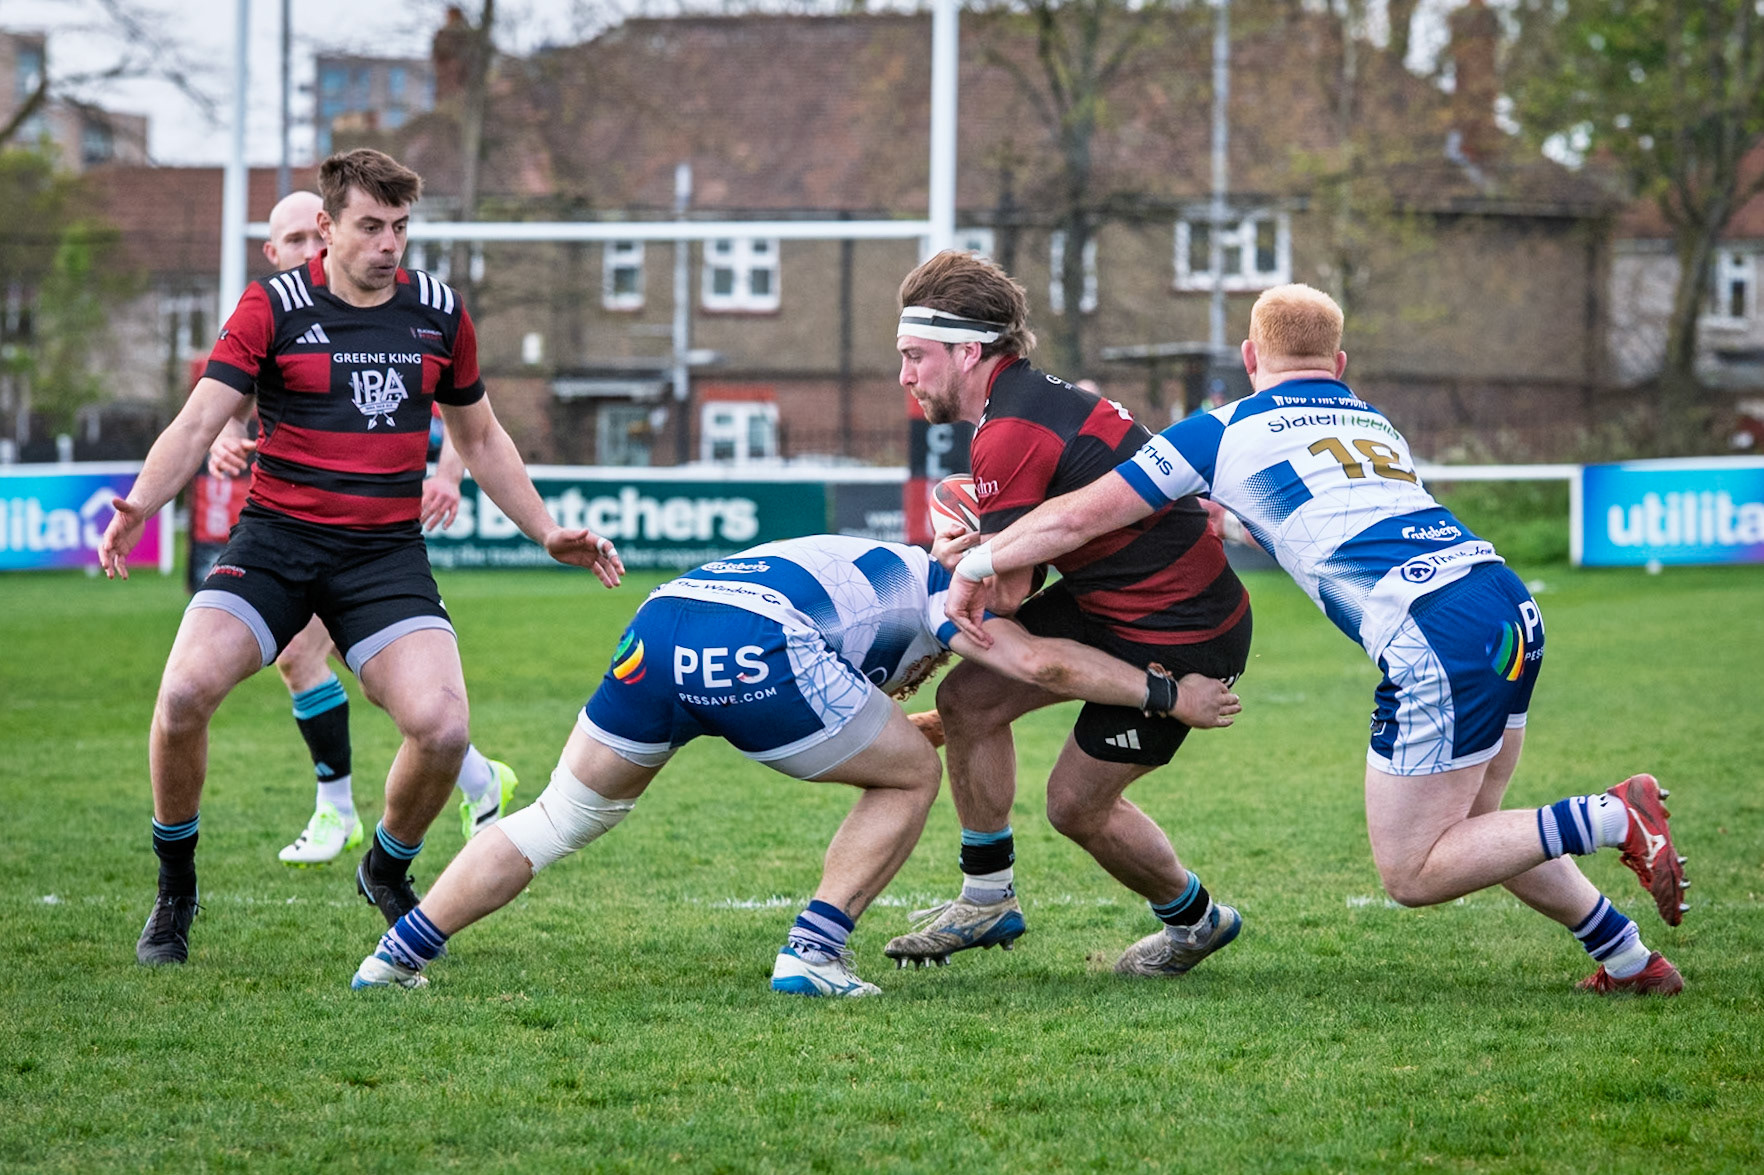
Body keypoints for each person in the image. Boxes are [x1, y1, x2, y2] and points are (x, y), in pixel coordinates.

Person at [944, 282, 1688, 995]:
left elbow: (1078, 518)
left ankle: (1615, 814)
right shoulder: (1371, 420)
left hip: (1433, 630)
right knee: (1478, 829)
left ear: (1248, 358)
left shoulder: (1225, 428)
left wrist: (976, 556)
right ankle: (1627, 958)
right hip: (1505, 603)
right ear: (1338, 365)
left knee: (1414, 870)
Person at [100, 148, 625, 967]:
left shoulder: (439, 312)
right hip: (275, 545)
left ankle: (385, 862)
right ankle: (175, 892)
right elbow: (200, 421)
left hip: (381, 557)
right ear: (326, 228)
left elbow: (479, 436)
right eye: (372, 227)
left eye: (401, 228)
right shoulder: (271, 307)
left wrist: (545, 529)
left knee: (444, 729)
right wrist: (140, 503)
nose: (390, 244)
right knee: (183, 693)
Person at [349, 535, 1241, 997]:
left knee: (557, 817)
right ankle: (813, 953)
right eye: (1023, 577)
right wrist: (1170, 698)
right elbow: (1047, 666)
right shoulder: (962, 589)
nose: (1021, 596)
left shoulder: (886, 563)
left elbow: (851, 702)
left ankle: (393, 959)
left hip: (667, 622)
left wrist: (915, 722)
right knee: (906, 780)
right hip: (762, 642)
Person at [884, 251, 1254, 977]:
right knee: (969, 697)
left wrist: (957, 549)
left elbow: (1012, 594)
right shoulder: (1026, 404)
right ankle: (987, 896)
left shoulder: (1011, 430)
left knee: (1074, 806)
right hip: (1117, 600)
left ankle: (1197, 920)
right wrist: (976, 537)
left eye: (914, 356)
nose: (905, 376)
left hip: (1180, 631)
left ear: (967, 350)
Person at [205, 190, 518, 868]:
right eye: (290, 241)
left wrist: (446, 473)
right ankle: (469, 779)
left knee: (335, 665)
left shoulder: (405, 313)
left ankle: (341, 810)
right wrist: (223, 441)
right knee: (346, 671)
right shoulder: (273, 309)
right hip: (290, 523)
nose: (305, 252)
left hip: (365, 534)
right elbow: (222, 405)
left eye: (307, 237)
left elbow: (470, 416)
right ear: (275, 250)